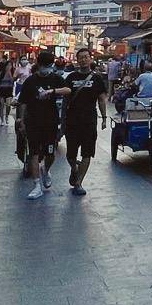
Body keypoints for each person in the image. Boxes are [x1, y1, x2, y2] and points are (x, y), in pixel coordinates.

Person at [21, 48, 70, 199]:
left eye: (49, 65)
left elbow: (68, 90)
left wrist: (52, 91)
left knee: (50, 153)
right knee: (34, 153)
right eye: (44, 65)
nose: (46, 68)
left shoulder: (55, 78)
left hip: (51, 121)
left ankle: (46, 170)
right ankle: (37, 185)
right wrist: (22, 121)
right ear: (38, 64)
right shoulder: (30, 81)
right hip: (33, 121)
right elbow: (23, 102)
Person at [62, 60, 100, 193]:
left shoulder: (97, 78)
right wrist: (62, 120)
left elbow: (101, 98)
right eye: (81, 57)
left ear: (90, 59)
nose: (83, 59)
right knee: (70, 154)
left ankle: (79, 183)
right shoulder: (71, 77)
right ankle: (74, 168)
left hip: (89, 121)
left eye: (86, 57)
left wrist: (105, 117)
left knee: (87, 153)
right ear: (78, 60)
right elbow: (65, 99)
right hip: (72, 120)